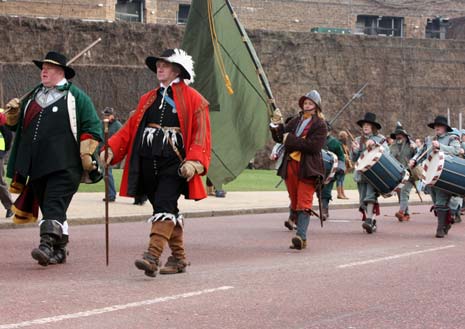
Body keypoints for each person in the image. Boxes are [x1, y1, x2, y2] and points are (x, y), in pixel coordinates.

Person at [100, 48, 211, 277]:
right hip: (147, 160)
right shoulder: (148, 98)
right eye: (158, 65)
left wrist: (194, 162)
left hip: (175, 164)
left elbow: (202, 135)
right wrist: (110, 150)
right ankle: (179, 258)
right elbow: (130, 129)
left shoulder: (195, 100)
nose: (159, 68)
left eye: (165, 65)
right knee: (166, 208)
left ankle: (152, 256)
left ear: (177, 69)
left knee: (163, 202)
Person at [4, 51, 102, 266]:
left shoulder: (77, 97)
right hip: (36, 166)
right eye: (43, 68)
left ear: (61, 72)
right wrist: (12, 115)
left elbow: (92, 127)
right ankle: (60, 250)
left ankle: (46, 245)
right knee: (51, 208)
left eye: (48, 68)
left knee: (54, 203)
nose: (44, 71)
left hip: (65, 165)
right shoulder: (32, 97)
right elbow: (15, 126)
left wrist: (86, 152)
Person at [269, 90, 327, 250]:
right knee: (294, 201)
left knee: (304, 201)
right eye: (305, 103)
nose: (307, 105)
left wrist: (291, 140)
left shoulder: (320, 125)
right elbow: (281, 137)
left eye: (310, 103)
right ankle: (298, 230)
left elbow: (313, 146)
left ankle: (301, 237)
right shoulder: (295, 121)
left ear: (316, 107)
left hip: (308, 168)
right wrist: (276, 125)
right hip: (291, 166)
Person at [409, 115, 461, 238]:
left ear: (445, 128)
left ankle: (440, 229)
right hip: (430, 175)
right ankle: (446, 223)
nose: (437, 127)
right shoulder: (429, 140)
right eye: (435, 126)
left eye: (439, 126)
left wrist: (440, 147)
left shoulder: (452, 138)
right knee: (436, 203)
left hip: (445, 175)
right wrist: (414, 160)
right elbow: (420, 152)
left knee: (441, 202)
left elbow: (456, 150)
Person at [351, 112, 388, 234]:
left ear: (373, 127)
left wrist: (375, 145)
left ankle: (368, 220)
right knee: (363, 200)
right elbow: (354, 159)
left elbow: (386, 154)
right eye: (364, 125)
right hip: (361, 174)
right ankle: (371, 220)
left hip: (375, 174)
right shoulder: (358, 139)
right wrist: (355, 150)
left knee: (370, 196)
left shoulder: (381, 139)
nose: (365, 127)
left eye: (368, 125)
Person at [389, 122, 416, 222]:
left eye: (400, 134)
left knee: (404, 192)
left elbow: (418, 157)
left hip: (410, 174)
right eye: (396, 135)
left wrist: (415, 149)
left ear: (404, 135)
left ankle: (401, 212)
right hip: (398, 174)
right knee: (400, 194)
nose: (398, 136)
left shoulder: (411, 145)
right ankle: (406, 213)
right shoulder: (392, 146)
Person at [321, 121, 345, 221]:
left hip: (329, 171)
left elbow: (341, 156)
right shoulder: (316, 140)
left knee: (326, 191)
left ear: (329, 131)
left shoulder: (334, 143)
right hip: (315, 169)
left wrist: (340, 167)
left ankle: (324, 210)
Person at [100, 107, 122, 202]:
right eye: (105, 115)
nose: (106, 116)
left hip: (111, 151)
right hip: (101, 151)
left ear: (113, 116)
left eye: (108, 115)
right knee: (104, 173)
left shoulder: (117, 126)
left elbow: (120, 139)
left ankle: (111, 195)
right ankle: (110, 194)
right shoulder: (102, 124)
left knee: (107, 172)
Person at [0, 112, 14, 218]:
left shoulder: (1, 115)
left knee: (0, 182)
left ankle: (10, 207)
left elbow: (8, 135)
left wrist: (4, 151)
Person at [337, 130, 352, 199]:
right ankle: (339, 194)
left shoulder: (344, 144)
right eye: (346, 136)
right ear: (342, 137)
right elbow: (339, 153)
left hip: (344, 163)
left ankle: (342, 193)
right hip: (340, 163)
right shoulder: (339, 144)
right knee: (339, 178)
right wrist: (345, 156)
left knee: (342, 179)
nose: (347, 137)